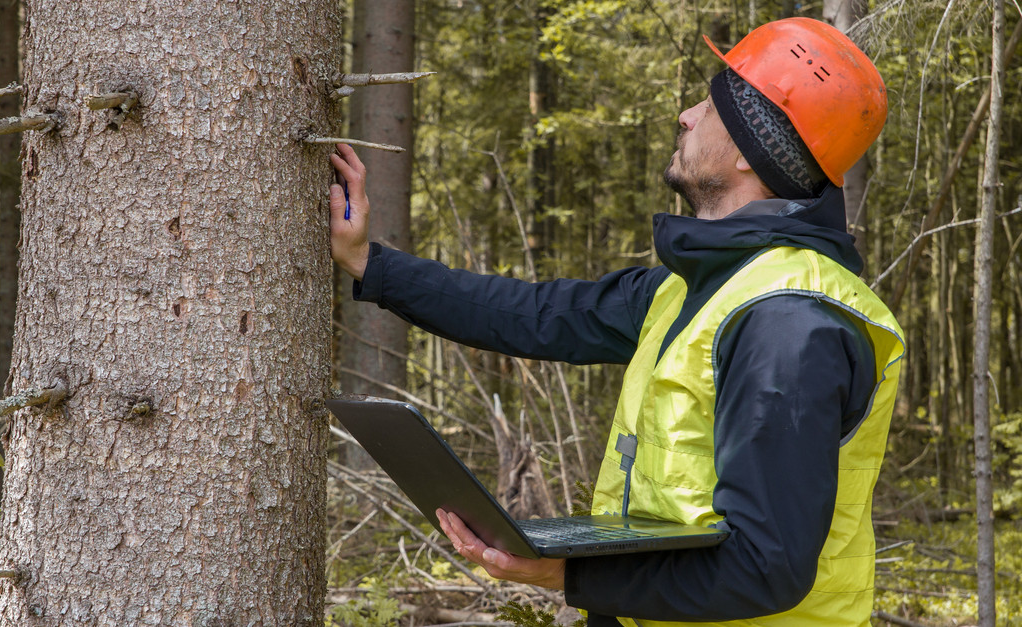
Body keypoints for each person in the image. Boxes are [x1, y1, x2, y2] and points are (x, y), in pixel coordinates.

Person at [329, 17, 904, 626]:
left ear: (745, 151)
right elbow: (533, 314)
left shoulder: (789, 324)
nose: (684, 116)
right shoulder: (697, 290)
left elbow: (766, 568)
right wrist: (371, 263)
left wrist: (570, 575)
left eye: (706, 108)